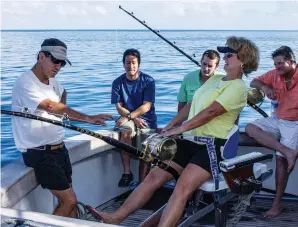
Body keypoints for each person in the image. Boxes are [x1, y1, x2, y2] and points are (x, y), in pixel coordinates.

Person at [97, 36, 259, 226]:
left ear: (243, 60)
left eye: (229, 55)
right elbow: (190, 105)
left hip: (212, 148)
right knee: (153, 177)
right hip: (190, 141)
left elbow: (211, 112)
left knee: (181, 189)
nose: (224, 58)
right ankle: (117, 217)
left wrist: (180, 129)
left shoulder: (238, 87)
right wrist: (170, 126)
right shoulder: (215, 79)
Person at [11, 38, 114, 218]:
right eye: (55, 61)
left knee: (70, 202)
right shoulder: (25, 82)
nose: (58, 66)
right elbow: (51, 106)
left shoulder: (54, 83)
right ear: (42, 56)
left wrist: (62, 109)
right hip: (40, 153)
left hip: (60, 149)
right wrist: (87, 118)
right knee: (70, 201)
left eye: (62, 63)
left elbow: (62, 96)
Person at [245, 46, 298, 218]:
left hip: (295, 124)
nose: (277, 67)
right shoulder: (274, 74)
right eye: (275, 64)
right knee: (250, 128)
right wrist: (265, 88)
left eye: (281, 63)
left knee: (281, 162)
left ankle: (276, 205)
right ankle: (287, 151)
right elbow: (254, 82)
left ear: (292, 61)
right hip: (277, 119)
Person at [111, 48, 157, 187]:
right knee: (125, 132)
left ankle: (143, 184)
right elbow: (118, 107)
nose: (131, 66)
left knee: (146, 148)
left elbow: (146, 106)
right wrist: (131, 118)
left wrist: (132, 117)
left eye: (133, 63)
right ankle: (127, 173)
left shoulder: (148, 80)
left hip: (146, 119)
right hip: (127, 118)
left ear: (139, 64)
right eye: (128, 62)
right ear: (123, 64)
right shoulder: (117, 82)